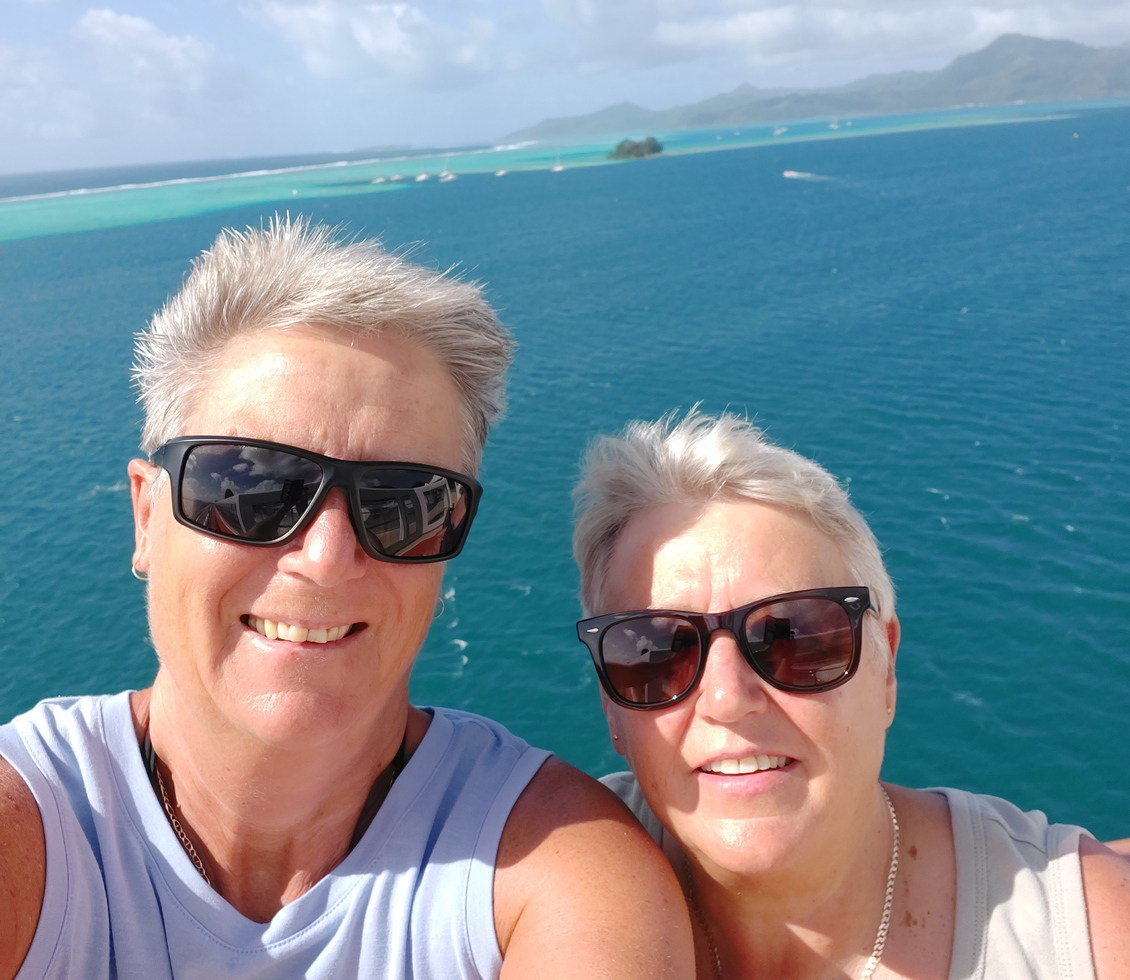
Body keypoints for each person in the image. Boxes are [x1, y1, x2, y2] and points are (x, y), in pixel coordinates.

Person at [0, 219, 693, 980]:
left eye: (404, 503)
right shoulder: (29, 827)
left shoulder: (554, 872)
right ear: (145, 516)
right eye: (248, 488)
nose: (327, 557)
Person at [572, 409, 1130, 979]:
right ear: (610, 703)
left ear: (885, 668)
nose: (726, 698)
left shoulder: (1091, 939)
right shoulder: (538, 883)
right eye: (656, 653)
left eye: (795, 635)